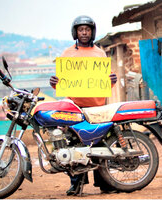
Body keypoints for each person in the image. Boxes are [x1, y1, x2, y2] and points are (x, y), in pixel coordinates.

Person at [49, 15, 118, 196]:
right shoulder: (67, 54)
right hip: (75, 106)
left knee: (100, 144)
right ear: (76, 32)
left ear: (92, 32)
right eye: (81, 29)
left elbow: (106, 81)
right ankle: (76, 184)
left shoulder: (99, 54)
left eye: (87, 29)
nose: (84, 32)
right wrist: (54, 82)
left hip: (97, 107)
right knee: (74, 144)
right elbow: (61, 82)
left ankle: (105, 183)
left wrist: (112, 80)